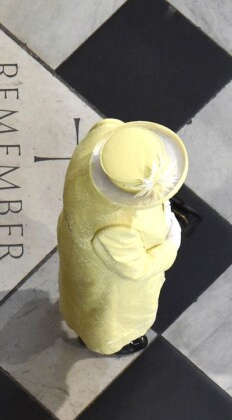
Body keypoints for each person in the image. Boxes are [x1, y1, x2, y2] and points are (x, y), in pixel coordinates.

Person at [58, 118, 188, 355]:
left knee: (77, 290)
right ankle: (106, 341)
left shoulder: (105, 134)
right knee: (104, 313)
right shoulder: (118, 225)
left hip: (74, 239)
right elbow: (136, 268)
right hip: (108, 277)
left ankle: (80, 321)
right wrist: (171, 243)